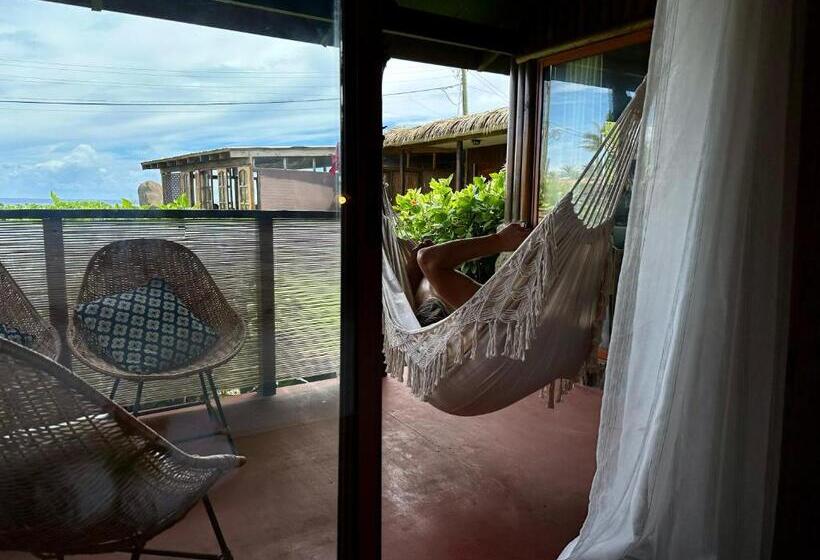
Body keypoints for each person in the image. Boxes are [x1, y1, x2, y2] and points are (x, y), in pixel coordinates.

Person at [405, 223, 532, 326]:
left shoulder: (418, 309)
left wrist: (412, 270)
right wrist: (499, 240)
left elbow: (405, 306)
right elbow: (428, 259)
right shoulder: (484, 310)